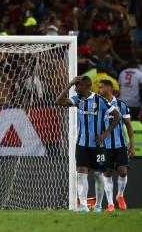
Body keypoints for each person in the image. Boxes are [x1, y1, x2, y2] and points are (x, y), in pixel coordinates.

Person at [55, 75, 121, 212]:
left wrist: (106, 133)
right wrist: (70, 83)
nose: (75, 88)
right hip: (82, 144)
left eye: (77, 86)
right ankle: (84, 205)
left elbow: (118, 115)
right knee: (81, 172)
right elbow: (58, 101)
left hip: (98, 145)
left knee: (98, 174)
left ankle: (98, 205)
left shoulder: (100, 100)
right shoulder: (77, 99)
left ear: (85, 86)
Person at [98, 79, 135, 212]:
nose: (99, 90)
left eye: (101, 87)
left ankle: (120, 196)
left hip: (120, 145)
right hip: (104, 146)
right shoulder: (98, 106)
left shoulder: (121, 105)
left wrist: (131, 145)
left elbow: (129, 126)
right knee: (107, 173)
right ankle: (110, 204)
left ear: (109, 88)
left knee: (123, 171)